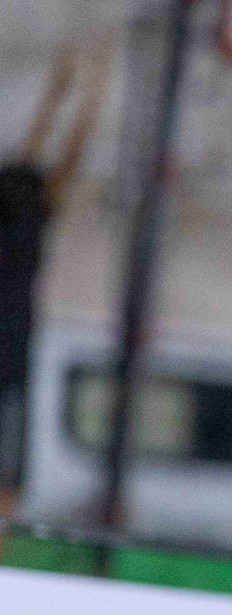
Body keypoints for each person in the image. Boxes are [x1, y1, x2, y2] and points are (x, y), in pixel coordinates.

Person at [0, 41, 110, 515]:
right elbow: (54, 160)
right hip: (14, 321)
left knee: (42, 163)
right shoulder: (29, 210)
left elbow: (50, 159)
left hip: (13, 321)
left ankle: (84, 90)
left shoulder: (27, 206)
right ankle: (85, 90)